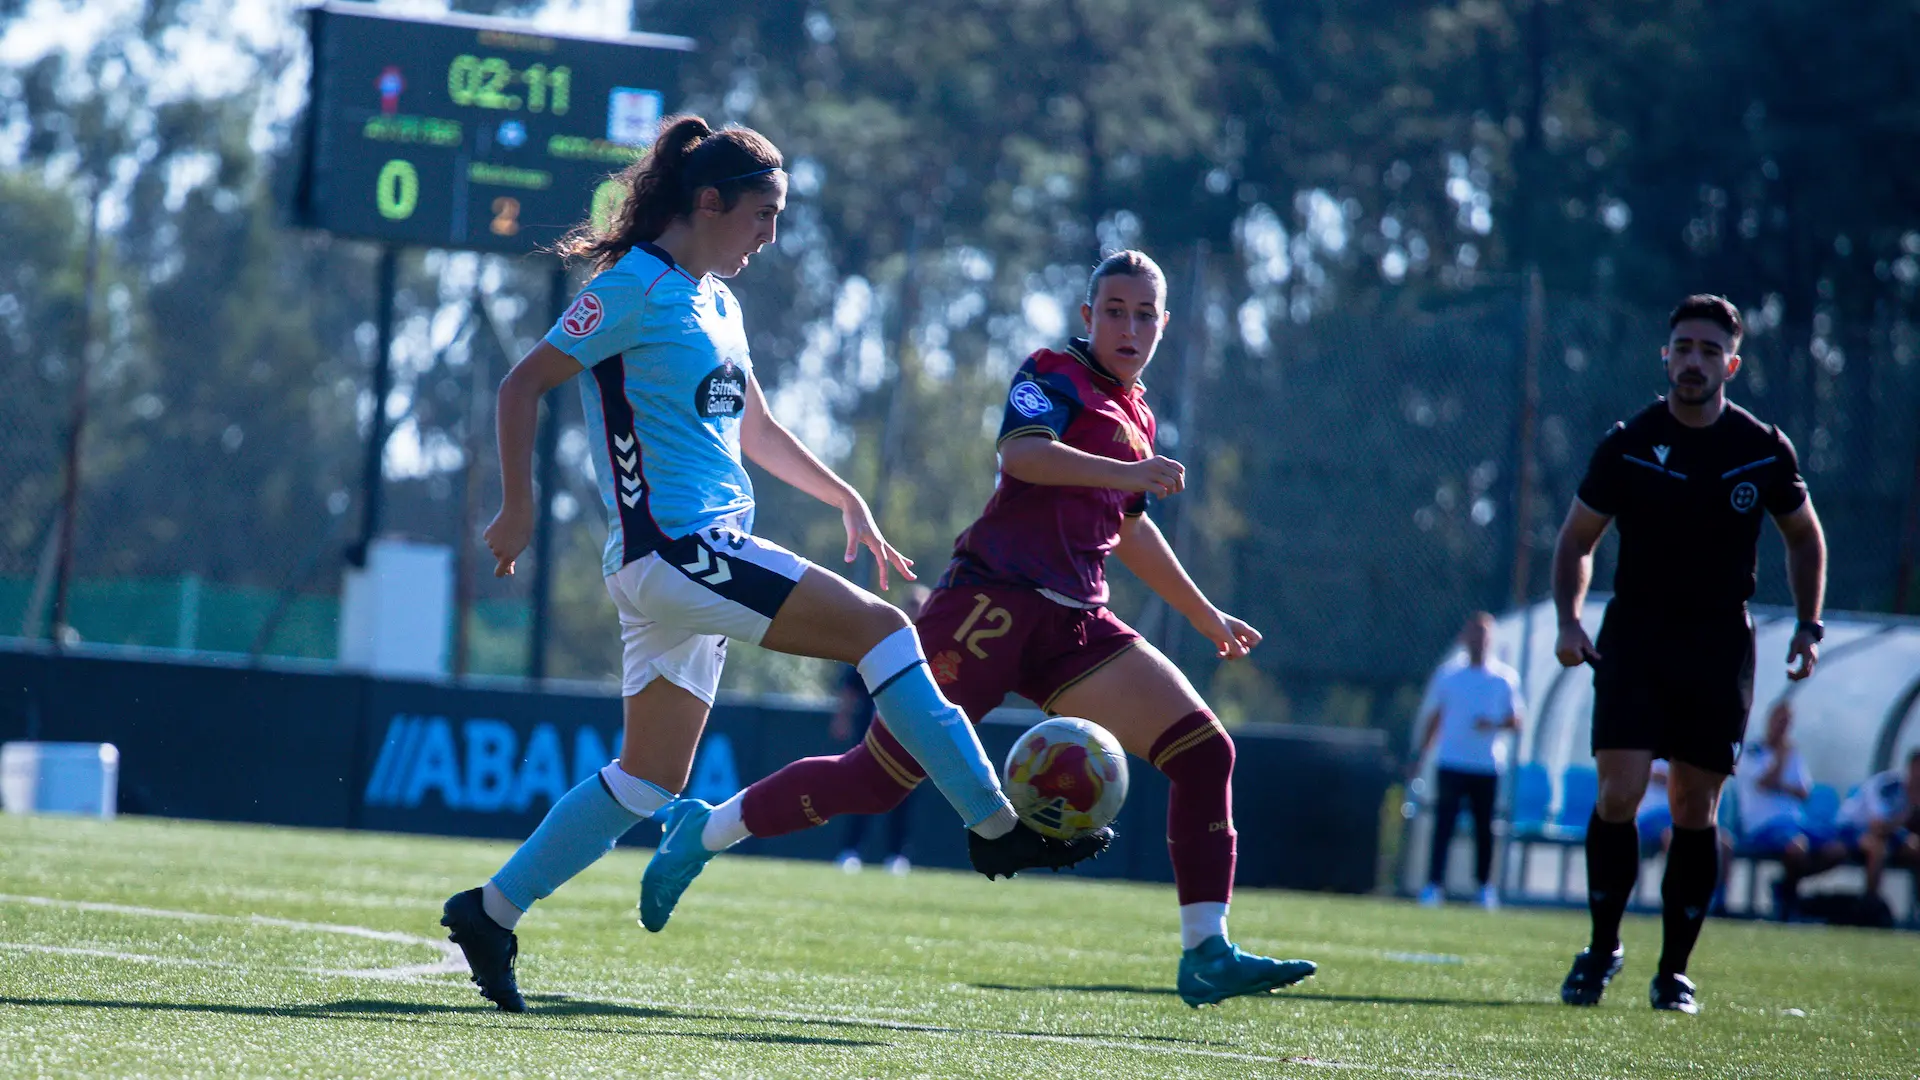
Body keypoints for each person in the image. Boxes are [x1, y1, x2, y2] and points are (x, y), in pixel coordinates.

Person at [437, 115, 1108, 1013]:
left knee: (649, 777)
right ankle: (994, 825)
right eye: (763, 215)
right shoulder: (632, 285)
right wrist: (517, 508)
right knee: (883, 631)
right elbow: (522, 383)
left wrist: (844, 496)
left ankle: (490, 911)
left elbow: (755, 427)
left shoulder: (718, 302)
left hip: (680, 564)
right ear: (708, 202)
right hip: (679, 550)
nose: (772, 235)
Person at [638, 250, 1317, 1007]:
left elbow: (1127, 529)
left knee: (1205, 752)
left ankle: (1206, 951)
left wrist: (1203, 613)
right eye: (1114, 311)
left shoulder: (1138, 412)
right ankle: (705, 831)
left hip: (1074, 622)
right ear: (1087, 317)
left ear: (1165, 325)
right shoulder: (1053, 373)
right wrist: (1129, 473)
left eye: (1145, 315)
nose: (1130, 327)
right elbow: (1023, 456)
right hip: (988, 606)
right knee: (875, 781)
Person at [1550, 294, 1827, 1014]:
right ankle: (1602, 947)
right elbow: (1576, 539)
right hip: (1636, 636)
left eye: (1709, 350)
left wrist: (1809, 625)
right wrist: (1569, 621)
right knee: (1619, 792)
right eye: (1683, 348)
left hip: (1717, 645)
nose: (1694, 361)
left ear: (1731, 364)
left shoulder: (1762, 448)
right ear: (1665, 357)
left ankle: (1673, 971)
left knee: (1694, 805)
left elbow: (1805, 537)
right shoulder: (1628, 443)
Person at [1410, 612, 1522, 911]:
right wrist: (1420, 757)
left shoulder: (1504, 678)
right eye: (1474, 633)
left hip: (1486, 765)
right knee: (1443, 825)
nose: (1478, 640)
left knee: (1484, 828)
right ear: (1464, 637)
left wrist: (1492, 723)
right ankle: (1434, 886)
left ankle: (1484, 888)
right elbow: (1434, 718)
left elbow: (1516, 720)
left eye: (1483, 635)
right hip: (1451, 762)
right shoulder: (1448, 675)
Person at [832, 585, 931, 875]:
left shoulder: (932, 646)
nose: (915, 612)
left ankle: (897, 855)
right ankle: (851, 851)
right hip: (871, 732)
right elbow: (851, 685)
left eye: (920, 607)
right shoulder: (882, 639)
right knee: (862, 788)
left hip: (910, 735)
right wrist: (842, 718)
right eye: (911, 606)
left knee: (904, 793)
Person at [1735, 701, 1843, 919]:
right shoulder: (1753, 751)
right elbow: (1765, 782)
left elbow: (1804, 792)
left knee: (1837, 849)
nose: (1782, 726)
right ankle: (1789, 902)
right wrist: (1781, 760)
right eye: (1779, 720)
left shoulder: (1793, 754)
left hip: (1795, 822)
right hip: (1764, 825)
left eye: (1787, 722)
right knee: (1796, 848)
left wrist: (1780, 785)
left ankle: (1786, 886)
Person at [1835, 749, 1920, 904]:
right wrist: (1910, 810)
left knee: (1915, 847)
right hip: (1852, 828)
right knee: (1877, 849)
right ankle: (1870, 902)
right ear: (1912, 766)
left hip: (1889, 833)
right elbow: (1878, 826)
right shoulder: (1887, 785)